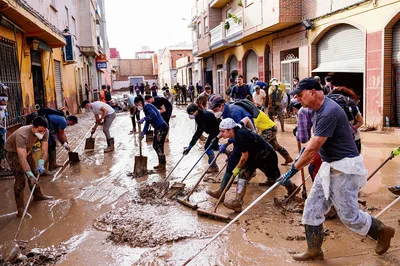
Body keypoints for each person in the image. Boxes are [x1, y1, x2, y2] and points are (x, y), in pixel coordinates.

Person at [280, 77, 395, 261]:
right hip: (329, 165)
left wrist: (292, 170)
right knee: (312, 208)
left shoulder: (328, 112)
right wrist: (298, 159)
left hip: (345, 168)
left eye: (300, 95)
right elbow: (311, 142)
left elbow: (313, 147)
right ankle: (314, 250)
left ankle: (382, 231)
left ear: (312, 92)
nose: (298, 100)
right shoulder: (317, 110)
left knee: (349, 216)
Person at [216, 118, 296, 212]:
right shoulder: (235, 132)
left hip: (266, 156)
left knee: (276, 177)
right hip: (253, 157)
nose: (221, 134)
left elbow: (244, 156)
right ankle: (237, 202)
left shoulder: (240, 135)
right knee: (243, 176)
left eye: (223, 131)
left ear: (230, 130)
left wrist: (237, 168)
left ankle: (292, 188)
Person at [5, 116, 53, 217]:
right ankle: (20, 209)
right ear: (33, 127)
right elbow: (22, 159)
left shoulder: (45, 131)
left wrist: (41, 162)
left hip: (27, 149)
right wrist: (28, 173)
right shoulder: (22, 135)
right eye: (39, 131)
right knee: (21, 179)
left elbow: (44, 151)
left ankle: (37, 195)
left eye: (43, 131)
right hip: (12, 152)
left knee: (35, 173)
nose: (41, 134)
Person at [135, 97, 169, 171]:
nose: (137, 106)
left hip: (161, 128)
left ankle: (162, 165)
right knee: (159, 146)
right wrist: (143, 133)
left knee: (156, 146)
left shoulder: (147, 106)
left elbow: (153, 115)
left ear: (140, 102)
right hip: (159, 128)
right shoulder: (146, 109)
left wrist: (144, 118)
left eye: (137, 104)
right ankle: (161, 164)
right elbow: (148, 122)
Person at [184, 104, 220, 173]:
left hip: (216, 130)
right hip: (211, 130)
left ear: (196, 111)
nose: (191, 115)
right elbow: (199, 131)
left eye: (191, 113)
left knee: (207, 147)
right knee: (214, 147)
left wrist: (190, 146)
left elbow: (198, 132)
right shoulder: (198, 116)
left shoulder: (204, 116)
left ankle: (214, 166)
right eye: (189, 114)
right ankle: (226, 151)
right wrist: (189, 147)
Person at [329, 87, 363, 153]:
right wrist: (350, 131)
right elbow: (360, 122)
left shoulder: (331, 107)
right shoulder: (352, 105)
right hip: (354, 139)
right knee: (354, 161)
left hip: (338, 141)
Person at [0, 92, 8, 172]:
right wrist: (1, 127)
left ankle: (1, 166)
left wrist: (5, 114)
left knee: (1, 146)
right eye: (3, 101)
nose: (4, 103)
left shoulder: (3, 108)